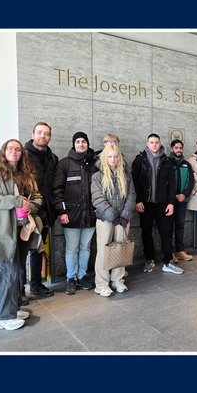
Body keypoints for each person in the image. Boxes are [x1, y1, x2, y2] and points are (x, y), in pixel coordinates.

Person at [0, 139, 42, 330]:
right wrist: (16, 201)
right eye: (10, 148)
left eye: (18, 149)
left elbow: (38, 197)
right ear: (4, 151)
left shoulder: (26, 174)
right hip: (2, 230)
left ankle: (12, 309)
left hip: (23, 229)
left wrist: (30, 205)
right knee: (7, 272)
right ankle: (2, 317)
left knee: (16, 271)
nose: (14, 152)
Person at [52, 132, 97, 295]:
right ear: (74, 144)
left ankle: (82, 276)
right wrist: (62, 211)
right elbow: (57, 190)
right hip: (71, 215)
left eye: (83, 141)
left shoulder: (94, 164)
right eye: (77, 141)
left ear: (87, 143)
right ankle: (71, 278)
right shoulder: (64, 164)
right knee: (72, 249)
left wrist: (97, 206)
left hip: (90, 216)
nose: (81, 144)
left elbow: (100, 189)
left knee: (85, 248)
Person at [91, 145, 136, 296]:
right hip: (106, 220)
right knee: (104, 251)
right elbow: (97, 199)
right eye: (109, 156)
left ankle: (118, 281)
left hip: (123, 220)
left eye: (115, 156)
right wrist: (113, 216)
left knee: (120, 249)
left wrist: (125, 215)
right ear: (104, 158)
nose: (113, 159)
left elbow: (131, 196)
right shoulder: (97, 176)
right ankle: (101, 284)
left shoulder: (127, 175)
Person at [131, 134, 178, 273]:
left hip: (163, 204)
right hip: (145, 204)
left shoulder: (167, 161)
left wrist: (171, 203)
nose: (154, 145)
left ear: (160, 143)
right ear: (147, 143)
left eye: (156, 142)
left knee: (167, 232)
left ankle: (168, 261)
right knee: (146, 232)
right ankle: (149, 259)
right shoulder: (140, 160)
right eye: (151, 142)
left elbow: (172, 184)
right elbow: (134, 182)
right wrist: (137, 200)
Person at [23, 122, 58, 300]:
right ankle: (18, 289)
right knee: (21, 250)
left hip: (45, 212)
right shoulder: (23, 155)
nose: (43, 136)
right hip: (26, 212)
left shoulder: (53, 158)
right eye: (40, 133)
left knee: (37, 248)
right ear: (33, 134)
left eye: (46, 134)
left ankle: (35, 284)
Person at [169, 139, 194, 262]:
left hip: (182, 202)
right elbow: (165, 181)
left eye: (180, 148)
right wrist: (173, 195)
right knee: (168, 227)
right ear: (171, 149)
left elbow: (191, 181)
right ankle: (170, 252)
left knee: (180, 225)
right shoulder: (167, 163)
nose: (179, 150)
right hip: (170, 201)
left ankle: (180, 250)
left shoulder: (186, 164)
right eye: (176, 148)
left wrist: (184, 195)